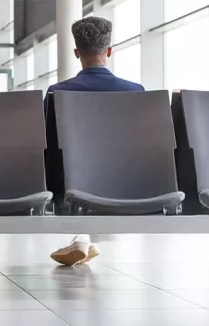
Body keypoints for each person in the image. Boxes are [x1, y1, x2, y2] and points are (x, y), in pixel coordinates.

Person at [44, 16, 146, 267]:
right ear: (109, 51)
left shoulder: (57, 92)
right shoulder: (136, 92)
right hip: (127, 183)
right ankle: (83, 240)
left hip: (70, 186)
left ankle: (82, 239)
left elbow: (47, 144)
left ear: (76, 53)